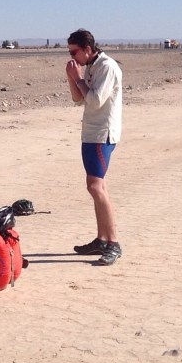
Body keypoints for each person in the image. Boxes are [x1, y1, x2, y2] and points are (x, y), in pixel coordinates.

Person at [65, 29, 123, 266]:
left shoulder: (107, 67)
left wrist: (78, 78)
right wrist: (72, 78)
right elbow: (78, 99)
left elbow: (95, 100)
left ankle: (113, 243)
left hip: (102, 134)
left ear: (87, 49)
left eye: (74, 52)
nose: (72, 56)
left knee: (95, 186)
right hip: (90, 133)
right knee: (98, 187)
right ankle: (102, 239)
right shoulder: (90, 66)